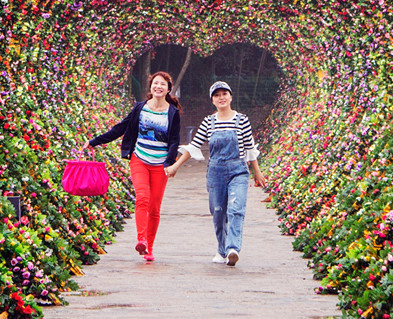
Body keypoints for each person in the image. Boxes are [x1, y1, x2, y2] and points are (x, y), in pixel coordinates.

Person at [168, 80, 266, 267]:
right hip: (216, 172)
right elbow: (194, 146)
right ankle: (222, 250)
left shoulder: (242, 120)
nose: (221, 98)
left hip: (238, 170)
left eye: (224, 94)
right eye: (217, 95)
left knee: (236, 209)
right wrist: (175, 166)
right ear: (212, 100)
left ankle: (233, 249)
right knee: (218, 211)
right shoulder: (209, 122)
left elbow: (250, 148)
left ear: (230, 97)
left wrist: (257, 173)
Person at [87, 70, 181, 262]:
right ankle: (141, 240)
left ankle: (150, 247)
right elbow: (120, 128)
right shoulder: (140, 108)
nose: (158, 86)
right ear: (150, 86)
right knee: (142, 198)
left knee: (154, 207)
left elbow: (174, 141)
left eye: (163, 84)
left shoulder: (173, 113)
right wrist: (94, 141)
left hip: (160, 164)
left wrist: (170, 163)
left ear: (168, 89)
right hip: (139, 159)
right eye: (155, 83)